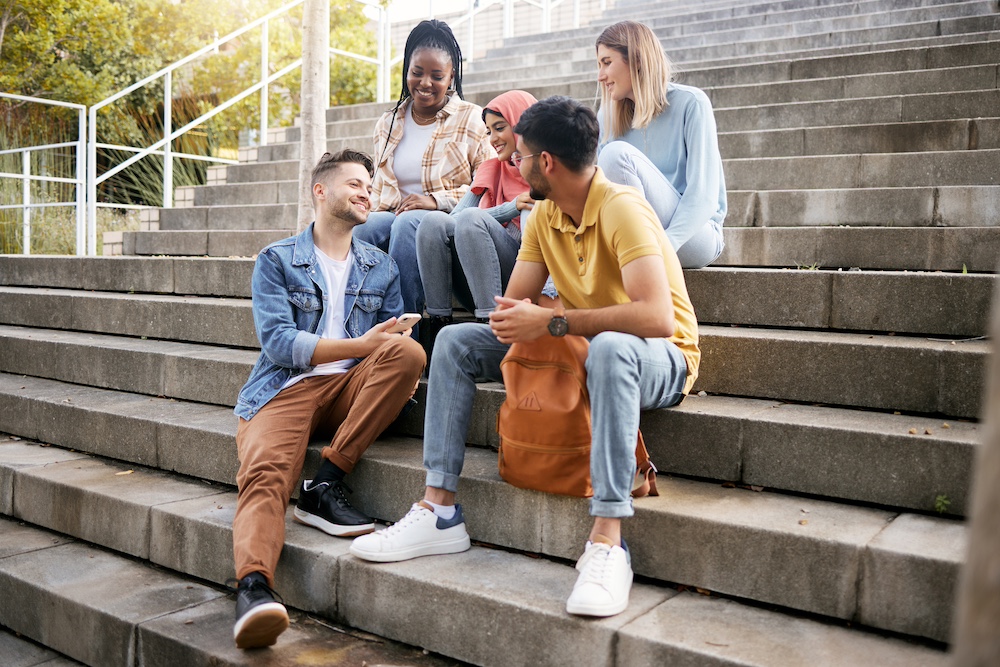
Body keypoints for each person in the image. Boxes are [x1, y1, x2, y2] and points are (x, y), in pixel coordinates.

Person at [350, 97, 701, 619]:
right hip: (585, 342)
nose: (515, 163)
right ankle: (439, 510)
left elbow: (655, 318)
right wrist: (529, 318)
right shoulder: (544, 217)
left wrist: (555, 319)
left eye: (522, 156)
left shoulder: (622, 208)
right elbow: (513, 312)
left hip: (659, 357)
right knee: (457, 342)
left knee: (608, 349)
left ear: (548, 163)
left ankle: (608, 540)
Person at [229, 150, 425, 649]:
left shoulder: (380, 266)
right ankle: (254, 588)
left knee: (407, 352)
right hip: (285, 388)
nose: (366, 192)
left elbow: (389, 341)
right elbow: (279, 343)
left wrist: (387, 339)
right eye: (355, 184)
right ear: (320, 191)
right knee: (266, 474)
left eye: (369, 186)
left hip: (350, 388)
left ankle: (325, 483)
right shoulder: (276, 260)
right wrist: (361, 346)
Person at [353, 19, 493, 333]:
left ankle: (406, 342)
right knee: (364, 228)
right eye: (417, 72)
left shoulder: (472, 119)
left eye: (436, 75)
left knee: (406, 223)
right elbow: (380, 189)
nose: (425, 83)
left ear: (452, 75)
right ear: (406, 70)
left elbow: (488, 189)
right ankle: (357, 332)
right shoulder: (388, 122)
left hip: (446, 221)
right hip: (393, 214)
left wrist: (432, 201)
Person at [595, 20, 726, 269]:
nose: (600, 76)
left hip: (693, 236)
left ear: (637, 60)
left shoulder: (692, 103)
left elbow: (703, 195)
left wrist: (664, 245)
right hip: (638, 240)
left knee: (615, 156)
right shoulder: (607, 118)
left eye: (607, 62)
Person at [415, 90, 537, 339]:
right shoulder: (491, 169)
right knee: (433, 221)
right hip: (479, 281)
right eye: (489, 131)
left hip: (524, 282)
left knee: (473, 218)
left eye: (500, 128)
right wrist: (511, 207)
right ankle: (438, 325)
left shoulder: (546, 168)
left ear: (522, 124)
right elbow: (453, 220)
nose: (492, 139)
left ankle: (490, 331)